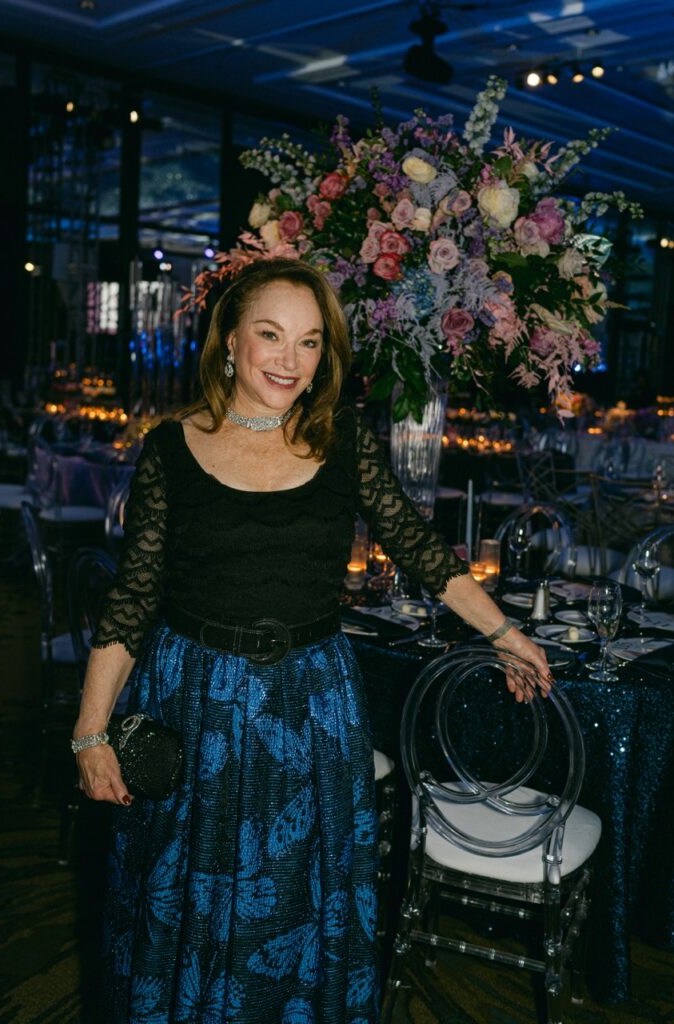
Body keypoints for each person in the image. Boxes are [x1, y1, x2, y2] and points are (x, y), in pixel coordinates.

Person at [73, 258, 551, 1023]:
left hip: (311, 707)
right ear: (231, 341)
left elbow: (418, 549)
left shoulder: (344, 439)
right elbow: (132, 601)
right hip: (197, 705)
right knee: (189, 894)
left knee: (298, 899)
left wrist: (504, 632)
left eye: (309, 342)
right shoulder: (170, 449)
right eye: (270, 335)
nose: (289, 361)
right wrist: (91, 731)